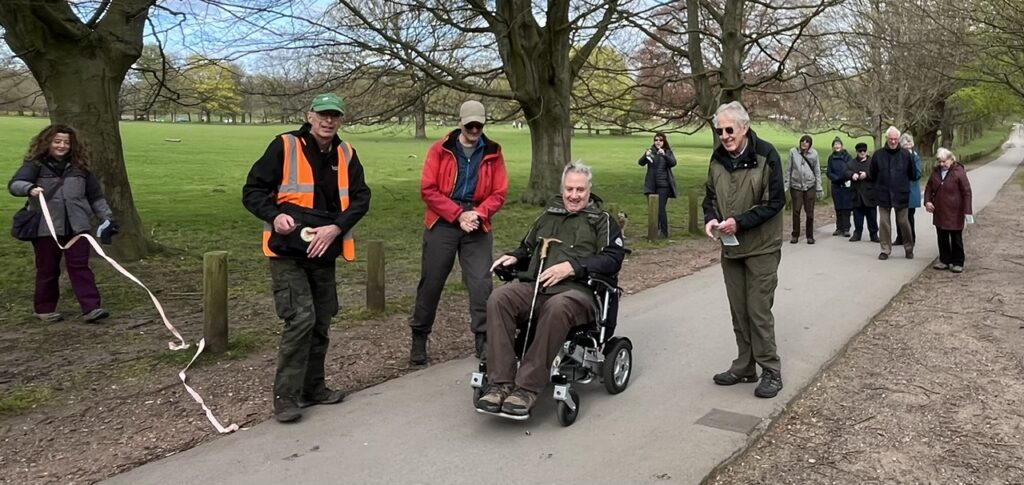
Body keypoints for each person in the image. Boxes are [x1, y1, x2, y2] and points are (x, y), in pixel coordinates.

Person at [242, 93, 371, 423]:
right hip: (288, 251)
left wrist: (336, 228)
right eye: (323, 115)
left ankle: (314, 388)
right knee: (300, 319)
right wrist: (274, 215)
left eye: (335, 116)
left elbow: (361, 197)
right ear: (310, 116)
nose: (328, 121)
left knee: (322, 318)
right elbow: (253, 190)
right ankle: (286, 397)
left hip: (323, 250)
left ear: (341, 120)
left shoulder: (345, 152)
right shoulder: (284, 146)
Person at [475, 162, 625, 416]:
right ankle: (500, 383)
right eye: (569, 189)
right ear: (562, 188)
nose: (574, 195)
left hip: (577, 293)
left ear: (589, 190)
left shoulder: (602, 221)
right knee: (500, 297)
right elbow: (527, 248)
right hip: (536, 287)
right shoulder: (548, 216)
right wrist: (514, 256)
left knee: (557, 307)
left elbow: (613, 259)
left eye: (580, 189)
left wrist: (573, 267)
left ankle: (527, 388)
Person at [409, 100, 509, 365]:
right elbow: (428, 190)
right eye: (469, 125)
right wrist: (457, 214)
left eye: (478, 124)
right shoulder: (440, 149)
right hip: (443, 220)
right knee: (431, 283)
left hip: (477, 220)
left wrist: (479, 213)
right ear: (460, 123)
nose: (474, 129)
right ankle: (419, 336)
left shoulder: (494, 151)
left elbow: (499, 192)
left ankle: (484, 338)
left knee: (481, 283)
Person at [703, 101, 786, 399]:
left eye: (730, 130)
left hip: (762, 247)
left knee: (758, 310)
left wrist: (739, 222)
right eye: (720, 130)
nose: (725, 136)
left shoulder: (767, 155)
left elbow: (775, 202)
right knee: (739, 310)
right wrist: (710, 218)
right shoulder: (717, 159)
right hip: (731, 249)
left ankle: (771, 370)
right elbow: (709, 196)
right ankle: (744, 366)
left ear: (744, 128)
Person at [8, 124, 115, 324]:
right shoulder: (35, 165)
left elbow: (96, 197)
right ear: (47, 143)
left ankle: (92, 308)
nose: (62, 145)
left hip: (78, 228)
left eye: (66, 142)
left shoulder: (81, 168)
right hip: (45, 228)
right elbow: (15, 185)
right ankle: (44, 308)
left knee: (80, 266)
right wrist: (29, 188)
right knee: (47, 268)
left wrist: (107, 218)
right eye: (57, 141)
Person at [869, 126, 920, 260]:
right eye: (891, 139)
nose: (893, 142)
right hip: (883, 193)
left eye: (895, 139)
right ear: (887, 138)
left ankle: (909, 248)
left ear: (898, 139)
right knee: (884, 223)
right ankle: (885, 249)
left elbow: (913, 174)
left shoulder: (906, 155)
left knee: (903, 221)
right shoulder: (878, 155)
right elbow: (872, 174)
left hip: (901, 193)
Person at [924, 148, 973, 273]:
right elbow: (929, 187)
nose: (941, 164)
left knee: (956, 237)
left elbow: (967, 192)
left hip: (955, 211)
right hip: (939, 209)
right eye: (939, 162)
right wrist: (927, 201)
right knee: (942, 236)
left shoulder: (959, 172)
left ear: (951, 159)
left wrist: (967, 211)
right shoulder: (935, 172)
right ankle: (944, 260)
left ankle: (958, 262)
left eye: (944, 162)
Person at [638, 132, 678, 238]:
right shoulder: (651, 152)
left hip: (663, 185)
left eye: (660, 140)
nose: (658, 142)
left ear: (664, 141)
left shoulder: (667, 152)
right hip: (651, 185)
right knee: (652, 210)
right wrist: (645, 155)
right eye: (656, 140)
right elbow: (641, 163)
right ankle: (653, 231)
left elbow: (673, 163)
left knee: (660, 209)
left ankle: (664, 232)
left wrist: (664, 155)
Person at [784, 134, 822, 244]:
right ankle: (795, 234)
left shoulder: (814, 154)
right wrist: (786, 185)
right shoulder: (793, 152)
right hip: (796, 185)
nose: (804, 143)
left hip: (810, 185)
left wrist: (818, 187)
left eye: (807, 141)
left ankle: (809, 235)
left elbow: (817, 171)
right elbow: (788, 169)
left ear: (810, 144)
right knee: (796, 211)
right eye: (802, 141)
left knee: (809, 212)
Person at [893, 133, 923, 246]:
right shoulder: (897, 157)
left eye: (909, 142)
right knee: (898, 215)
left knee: (909, 216)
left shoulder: (915, 157)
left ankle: (911, 238)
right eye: (904, 143)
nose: (907, 145)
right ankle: (900, 237)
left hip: (911, 190)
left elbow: (918, 174)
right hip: (899, 191)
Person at [846, 142, 879, 242]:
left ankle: (874, 235)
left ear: (866, 151)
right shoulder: (851, 163)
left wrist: (867, 175)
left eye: (864, 151)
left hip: (870, 194)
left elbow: (877, 173)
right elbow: (846, 172)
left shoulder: (872, 162)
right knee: (857, 216)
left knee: (872, 216)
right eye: (860, 151)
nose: (862, 153)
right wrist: (852, 175)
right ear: (857, 152)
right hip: (857, 194)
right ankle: (857, 233)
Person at [826, 137, 854, 237]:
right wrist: (836, 178)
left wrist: (845, 177)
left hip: (846, 184)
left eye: (838, 144)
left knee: (846, 207)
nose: (836, 146)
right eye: (835, 144)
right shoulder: (831, 158)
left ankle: (846, 228)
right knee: (838, 207)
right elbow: (829, 172)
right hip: (836, 185)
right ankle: (839, 228)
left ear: (842, 146)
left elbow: (851, 168)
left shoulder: (848, 157)